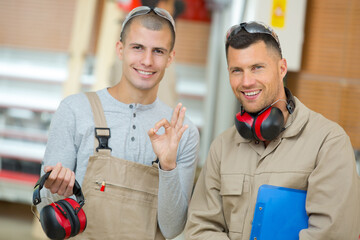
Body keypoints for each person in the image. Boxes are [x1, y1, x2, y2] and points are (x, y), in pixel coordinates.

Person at [185, 21, 360, 239]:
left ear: (282, 68)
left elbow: (333, 235)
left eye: (257, 67)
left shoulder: (328, 143)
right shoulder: (222, 146)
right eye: (236, 70)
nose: (246, 81)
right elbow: (200, 229)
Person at [37, 6, 199, 240]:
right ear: (120, 49)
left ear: (170, 58)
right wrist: (54, 191)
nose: (147, 60)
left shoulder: (182, 132)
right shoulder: (75, 110)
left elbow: (172, 229)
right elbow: (45, 206)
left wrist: (168, 167)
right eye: (137, 48)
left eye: (159, 51)